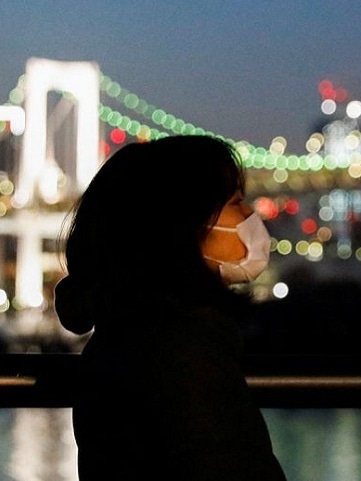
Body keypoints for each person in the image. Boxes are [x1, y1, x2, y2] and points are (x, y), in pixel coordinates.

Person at [54, 135, 287, 481]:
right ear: (180, 224)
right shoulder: (182, 352)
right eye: (236, 202)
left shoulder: (128, 332)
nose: (251, 214)